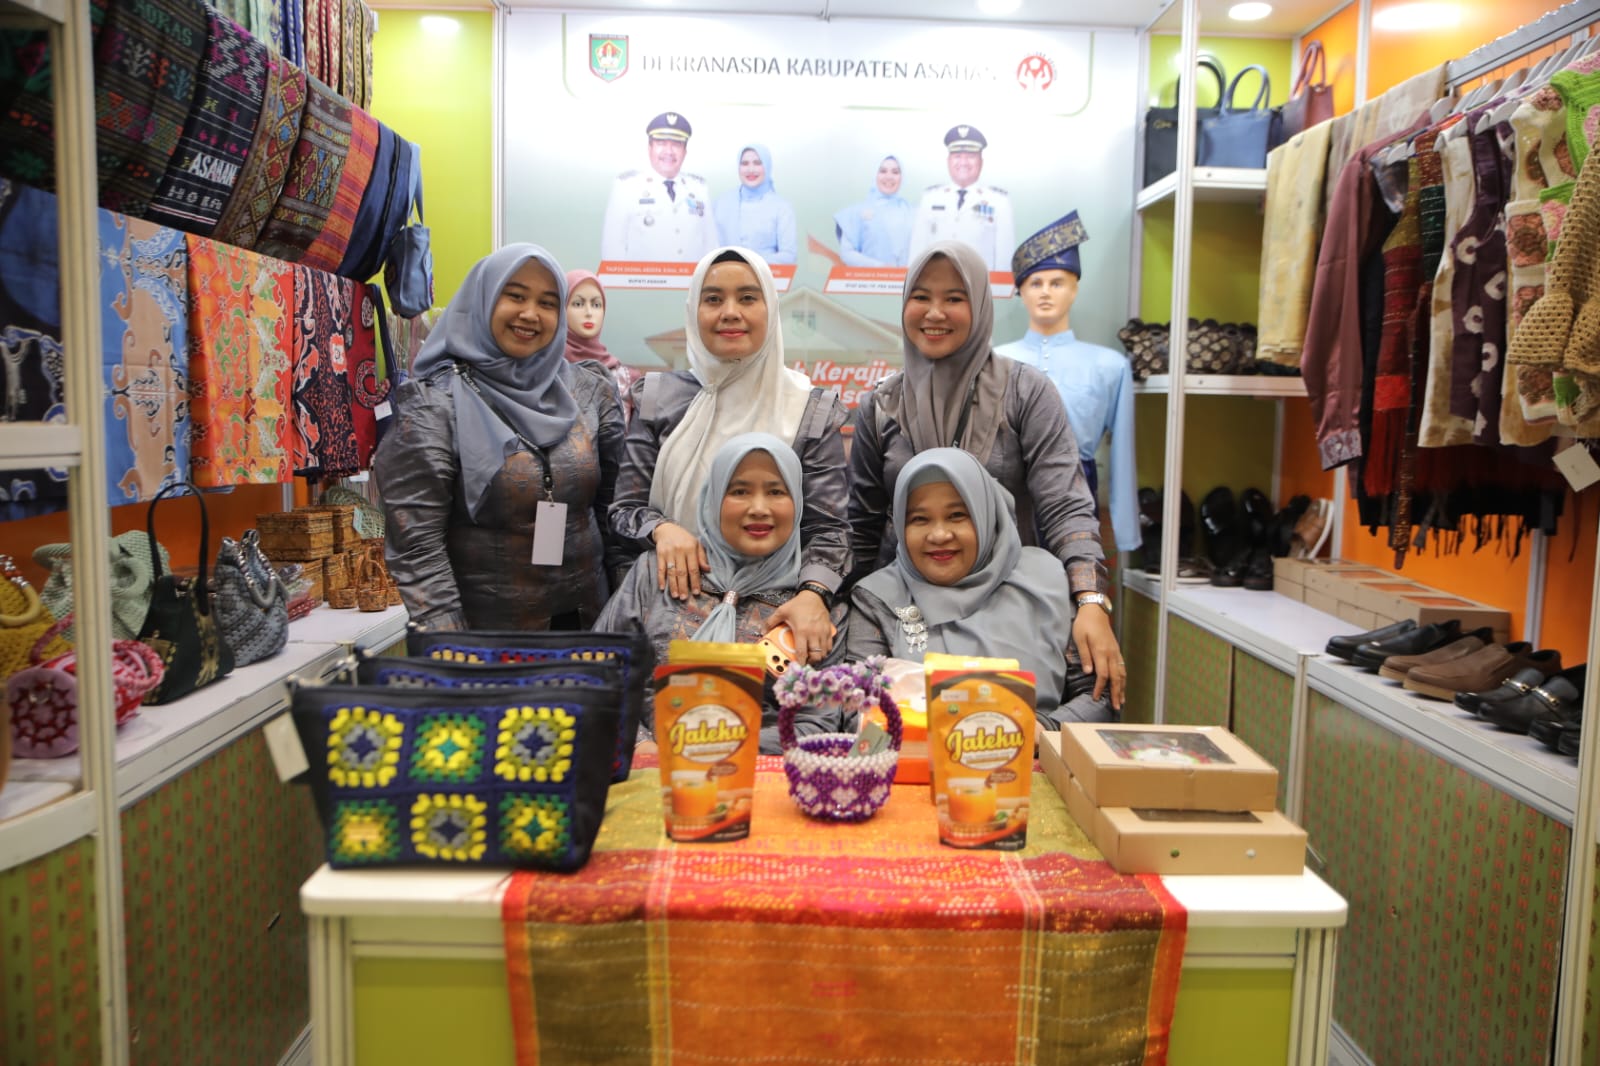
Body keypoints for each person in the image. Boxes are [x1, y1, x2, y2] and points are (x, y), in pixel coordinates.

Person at [848, 239, 1124, 710]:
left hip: (1015, 607)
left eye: (954, 298)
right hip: (908, 616)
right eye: (921, 297)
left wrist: (1090, 601)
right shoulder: (881, 406)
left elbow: (1065, 506)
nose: (935, 312)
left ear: (978, 304)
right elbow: (861, 527)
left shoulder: (1025, 392)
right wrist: (838, 606)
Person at [610, 246, 851, 665]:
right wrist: (662, 529)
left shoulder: (807, 408)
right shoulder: (659, 398)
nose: (730, 313)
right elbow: (625, 509)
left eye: (747, 298)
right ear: (694, 310)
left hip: (774, 615)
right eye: (713, 299)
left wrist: (814, 594)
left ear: (770, 308)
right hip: (670, 600)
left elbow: (828, 528)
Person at [374, 243, 624, 631]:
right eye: (515, 296)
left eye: (547, 302)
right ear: (484, 299)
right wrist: (451, 644)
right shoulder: (435, 404)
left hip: (591, 627)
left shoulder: (590, 391)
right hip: (484, 639)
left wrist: (627, 616)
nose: (530, 313)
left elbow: (614, 515)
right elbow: (417, 546)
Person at [597, 433, 848, 754]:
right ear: (713, 498)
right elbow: (601, 672)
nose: (759, 508)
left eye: (776, 491)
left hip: (760, 774)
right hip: (647, 768)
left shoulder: (816, 607)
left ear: (797, 502)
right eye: (739, 491)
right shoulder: (658, 571)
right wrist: (644, 746)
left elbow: (818, 725)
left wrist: (709, 747)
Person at [848, 448, 1108, 728]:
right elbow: (854, 710)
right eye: (919, 519)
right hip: (915, 753)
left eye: (957, 515)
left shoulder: (1047, 581)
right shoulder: (877, 599)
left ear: (986, 515)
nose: (939, 535)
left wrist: (1038, 732)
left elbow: (1100, 697)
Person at [994, 212, 1141, 553]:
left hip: (1078, 492)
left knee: (1075, 577)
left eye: (1057, 282)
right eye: (1035, 283)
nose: (1045, 293)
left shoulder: (1109, 366)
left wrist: (1125, 532)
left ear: (1074, 289)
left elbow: (1122, 456)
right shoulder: (995, 363)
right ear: (1021, 291)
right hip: (1007, 496)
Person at [599, 112, 718, 262]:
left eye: (677, 144)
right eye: (661, 143)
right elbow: (613, 247)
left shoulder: (698, 188)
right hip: (642, 277)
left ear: (685, 151)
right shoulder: (627, 187)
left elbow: (710, 245)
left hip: (693, 277)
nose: (669, 151)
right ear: (649, 148)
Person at [907, 125, 1016, 274]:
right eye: (957, 156)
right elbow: (916, 253)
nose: (963, 162)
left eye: (971, 156)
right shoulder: (930, 198)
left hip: (978, 285)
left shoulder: (999, 201)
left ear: (981, 161)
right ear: (948, 160)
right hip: (937, 283)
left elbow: (1004, 259)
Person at [564, 269, 645, 421]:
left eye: (596, 304)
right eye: (578, 304)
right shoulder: (547, 373)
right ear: (562, 309)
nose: (589, 312)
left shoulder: (627, 379)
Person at [713, 145, 797, 265]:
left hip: (767, 274)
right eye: (745, 163)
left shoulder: (782, 208)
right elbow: (710, 248)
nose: (751, 170)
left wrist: (749, 263)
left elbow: (789, 255)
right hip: (726, 274)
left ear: (767, 166)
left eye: (757, 163)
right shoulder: (721, 203)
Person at [833, 154, 915, 268]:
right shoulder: (855, 212)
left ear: (902, 177)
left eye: (895, 172)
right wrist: (881, 268)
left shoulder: (913, 213)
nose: (889, 177)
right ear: (874, 174)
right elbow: (847, 253)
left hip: (907, 278)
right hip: (868, 278)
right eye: (883, 171)